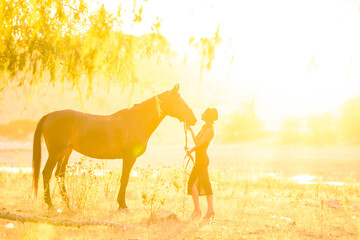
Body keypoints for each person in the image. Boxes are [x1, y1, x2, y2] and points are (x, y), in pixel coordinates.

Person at [186, 107, 218, 220]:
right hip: (201, 158)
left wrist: (190, 130)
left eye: (204, 112)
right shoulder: (205, 127)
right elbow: (200, 145)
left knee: (191, 183)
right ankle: (211, 210)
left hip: (202, 160)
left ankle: (197, 210)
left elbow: (198, 142)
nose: (201, 113)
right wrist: (191, 150)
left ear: (208, 116)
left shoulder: (209, 128)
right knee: (205, 184)